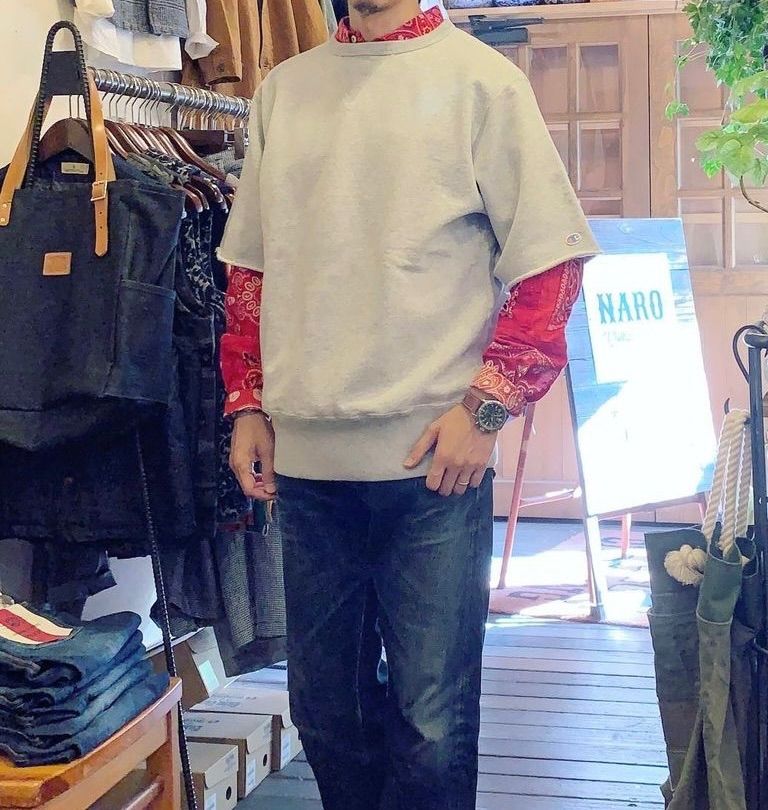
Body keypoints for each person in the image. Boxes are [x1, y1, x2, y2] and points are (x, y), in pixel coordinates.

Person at [218, 0, 599, 805]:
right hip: (308, 466)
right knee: (327, 718)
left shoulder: (482, 84)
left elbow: (551, 264)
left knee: (433, 731)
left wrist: (487, 409)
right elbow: (252, 268)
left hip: (434, 467)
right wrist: (247, 400)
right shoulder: (285, 90)